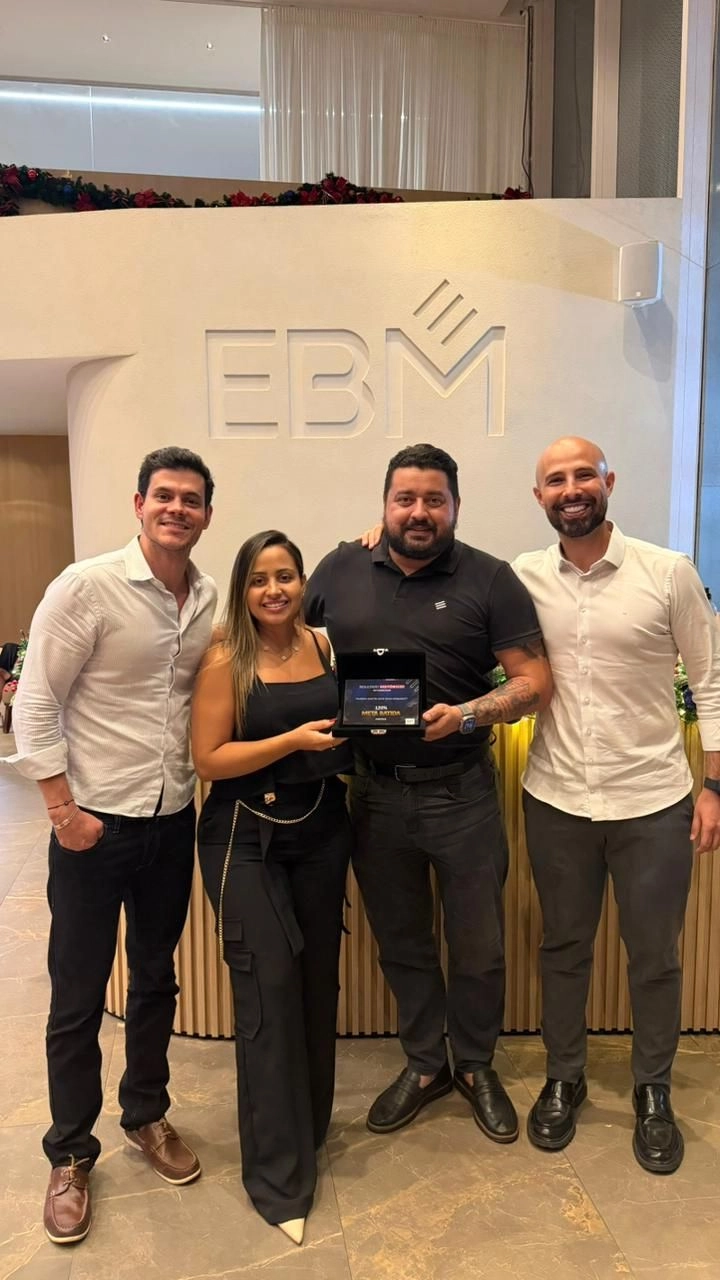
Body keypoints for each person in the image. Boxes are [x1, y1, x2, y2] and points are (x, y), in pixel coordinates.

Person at [305, 443, 553, 1142]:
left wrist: (469, 714)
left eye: (433, 500)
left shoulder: (490, 578)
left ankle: (474, 1065)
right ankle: (424, 1064)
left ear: (456, 507)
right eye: (405, 499)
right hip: (373, 797)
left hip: (462, 794)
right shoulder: (340, 566)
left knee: (479, 946)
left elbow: (535, 683)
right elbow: (278, 634)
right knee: (402, 942)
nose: (419, 512)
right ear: (384, 505)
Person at [6, 446, 216, 1244]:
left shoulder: (207, 598)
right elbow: (35, 702)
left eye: (190, 499)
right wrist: (62, 811)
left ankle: (146, 1115)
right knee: (77, 994)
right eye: (164, 496)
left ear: (206, 514)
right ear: (139, 505)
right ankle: (69, 1152)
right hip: (92, 827)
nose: (176, 509)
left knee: (157, 979)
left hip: (171, 820)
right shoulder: (86, 586)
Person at [514, 436, 720, 1174]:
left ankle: (652, 1091)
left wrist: (714, 786)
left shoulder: (668, 572)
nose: (570, 489)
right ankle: (564, 1078)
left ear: (608, 481)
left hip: (654, 801)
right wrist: (370, 542)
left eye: (583, 475)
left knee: (654, 957)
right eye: (555, 480)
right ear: (538, 496)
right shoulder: (522, 578)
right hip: (557, 798)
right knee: (563, 948)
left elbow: (711, 680)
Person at [191, 530, 353, 1246]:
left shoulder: (324, 646)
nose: (274, 590)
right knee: (269, 992)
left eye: (285, 576)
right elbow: (209, 759)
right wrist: (291, 742)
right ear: (242, 589)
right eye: (259, 579)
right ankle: (278, 1179)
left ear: (303, 582)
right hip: (243, 839)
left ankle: (305, 1134)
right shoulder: (225, 658)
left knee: (317, 984)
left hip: (322, 832)